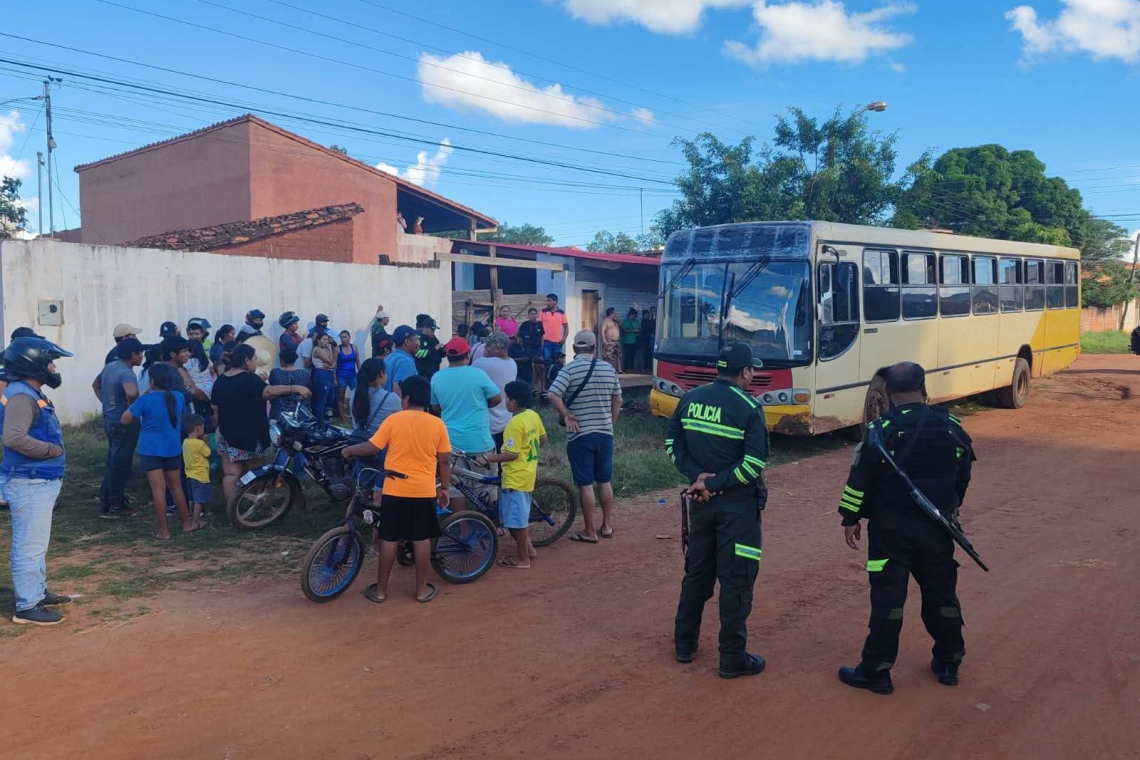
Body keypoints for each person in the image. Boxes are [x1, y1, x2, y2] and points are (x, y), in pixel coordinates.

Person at [836, 362, 976, 695]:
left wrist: (850, 517)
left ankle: (877, 672)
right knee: (942, 595)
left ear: (888, 395)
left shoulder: (880, 429)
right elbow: (963, 471)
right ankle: (949, 661)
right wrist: (950, 505)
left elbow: (860, 480)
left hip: (890, 533)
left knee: (888, 600)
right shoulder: (951, 426)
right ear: (924, 389)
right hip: (938, 528)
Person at [667, 342, 770, 679]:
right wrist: (715, 483)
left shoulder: (690, 398)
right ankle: (732, 658)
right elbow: (753, 463)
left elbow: (673, 445)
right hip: (736, 508)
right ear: (745, 372)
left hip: (701, 503)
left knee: (697, 572)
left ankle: (684, 643)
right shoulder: (749, 407)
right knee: (736, 579)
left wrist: (697, 477)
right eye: (751, 369)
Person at [342, 375, 449, 604]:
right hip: (423, 490)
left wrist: (350, 451)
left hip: (394, 488)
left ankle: (381, 591)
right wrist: (445, 488)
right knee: (421, 538)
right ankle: (421, 590)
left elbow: (372, 447)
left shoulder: (394, 420)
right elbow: (444, 462)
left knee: (389, 537)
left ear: (407, 398)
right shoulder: (437, 423)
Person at [1, 337, 73, 625]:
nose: (54, 368)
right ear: (33, 365)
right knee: (29, 545)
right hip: (30, 481)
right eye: (49, 362)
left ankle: (37, 592)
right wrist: (52, 451)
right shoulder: (22, 395)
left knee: (36, 544)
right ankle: (28, 606)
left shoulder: (27, 390)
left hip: (37, 480)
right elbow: (14, 437)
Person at [548, 331, 622, 544]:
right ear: (594, 348)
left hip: (580, 435)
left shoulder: (569, 369)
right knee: (604, 480)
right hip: (605, 434)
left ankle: (590, 531)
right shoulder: (608, 368)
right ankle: (606, 525)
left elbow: (553, 394)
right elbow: (618, 399)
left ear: (573, 349)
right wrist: (610, 421)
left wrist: (566, 414)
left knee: (585, 484)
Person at [212, 344, 311, 503]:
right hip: (248, 434)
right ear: (247, 360)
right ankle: (263, 506)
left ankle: (233, 513)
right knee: (258, 473)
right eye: (255, 358)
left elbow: (215, 409)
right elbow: (269, 392)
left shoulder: (221, 380)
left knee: (231, 474)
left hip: (224, 433)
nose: (257, 362)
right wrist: (295, 387)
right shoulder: (249, 378)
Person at [121, 363, 203, 541]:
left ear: (151, 381)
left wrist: (139, 398)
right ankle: (187, 523)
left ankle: (164, 532)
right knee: (176, 487)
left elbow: (125, 419)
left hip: (150, 449)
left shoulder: (146, 399)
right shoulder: (178, 397)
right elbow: (181, 416)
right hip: (172, 448)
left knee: (158, 490)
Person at [476, 381, 546, 569]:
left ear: (513, 402)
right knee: (518, 516)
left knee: (517, 521)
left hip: (515, 477)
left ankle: (523, 559)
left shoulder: (514, 424)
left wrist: (488, 458)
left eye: (507, 398)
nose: (505, 402)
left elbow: (512, 454)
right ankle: (529, 549)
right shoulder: (532, 415)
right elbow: (543, 439)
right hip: (528, 472)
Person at [430, 337, 502, 511]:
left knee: (456, 488)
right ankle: (487, 526)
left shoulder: (437, 377)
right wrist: (483, 405)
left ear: (447, 356)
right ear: (468, 355)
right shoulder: (478, 374)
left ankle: (463, 529)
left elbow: (435, 407)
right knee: (485, 486)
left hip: (451, 443)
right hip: (480, 441)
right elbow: (497, 398)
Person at [93, 337, 144, 518]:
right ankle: (115, 504)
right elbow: (131, 392)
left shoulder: (110, 367)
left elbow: (96, 385)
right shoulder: (127, 373)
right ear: (134, 355)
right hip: (124, 423)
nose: (143, 356)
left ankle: (107, 499)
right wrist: (132, 409)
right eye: (141, 353)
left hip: (110, 419)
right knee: (120, 463)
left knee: (113, 460)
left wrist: (107, 404)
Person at [351, 357, 403, 505]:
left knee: (364, 483)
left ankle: (354, 516)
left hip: (360, 444)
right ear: (381, 374)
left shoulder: (355, 393)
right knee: (380, 484)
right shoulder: (391, 398)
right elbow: (399, 425)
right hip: (382, 449)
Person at [472, 332, 517, 451]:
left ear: (498, 348)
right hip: (506, 420)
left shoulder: (481, 363)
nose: (485, 348)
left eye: (488, 345)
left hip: (487, 422)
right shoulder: (513, 363)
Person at [182, 414, 212, 523]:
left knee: (192, 499)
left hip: (189, 475)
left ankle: (191, 516)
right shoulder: (199, 443)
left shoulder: (185, 442)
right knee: (199, 499)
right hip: (200, 476)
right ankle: (196, 520)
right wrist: (206, 442)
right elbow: (208, 454)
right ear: (198, 428)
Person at [267, 346, 311, 420]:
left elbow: (272, 389)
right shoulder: (304, 374)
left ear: (282, 359)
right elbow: (309, 392)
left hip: (278, 413)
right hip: (299, 414)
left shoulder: (275, 373)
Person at [310, 330, 338, 422]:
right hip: (321, 374)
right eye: (324, 339)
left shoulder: (325, 349)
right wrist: (330, 348)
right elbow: (330, 361)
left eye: (327, 340)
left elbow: (333, 364)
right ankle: (319, 421)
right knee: (322, 399)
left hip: (328, 374)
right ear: (318, 340)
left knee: (330, 398)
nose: (327, 342)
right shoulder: (317, 350)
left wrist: (332, 365)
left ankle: (326, 420)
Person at [383, 325, 419, 393]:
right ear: (407, 342)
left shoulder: (388, 358)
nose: (418, 343)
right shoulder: (406, 362)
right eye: (416, 339)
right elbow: (399, 390)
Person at [336, 330, 361, 422]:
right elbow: (334, 364)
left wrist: (361, 373)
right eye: (341, 337)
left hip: (353, 375)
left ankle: (355, 414)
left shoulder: (354, 347)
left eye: (345, 337)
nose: (343, 339)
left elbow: (358, 361)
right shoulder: (338, 349)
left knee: (357, 395)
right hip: (341, 376)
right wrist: (335, 378)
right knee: (341, 397)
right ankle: (343, 417)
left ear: (349, 337)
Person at [517, 308, 544, 390]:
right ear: (528, 315)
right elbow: (518, 335)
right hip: (527, 349)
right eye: (531, 314)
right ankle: (531, 387)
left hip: (538, 349)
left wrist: (542, 348)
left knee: (540, 366)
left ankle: (542, 387)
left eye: (534, 314)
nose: (533, 315)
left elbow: (542, 336)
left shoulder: (540, 324)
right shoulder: (524, 324)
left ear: (537, 315)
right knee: (529, 367)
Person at [539, 294, 568, 366]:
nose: (547, 302)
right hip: (546, 342)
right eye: (547, 301)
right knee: (547, 364)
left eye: (549, 301)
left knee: (558, 364)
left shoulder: (561, 313)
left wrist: (564, 339)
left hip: (558, 343)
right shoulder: (542, 312)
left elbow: (566, 327)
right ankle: (547, 377)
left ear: (555, 302)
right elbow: (538, 327)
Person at [414, 315, 443, 379]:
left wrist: (443, 351)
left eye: (434, 330)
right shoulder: (419, 339)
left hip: (435, 371)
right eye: (432, 329)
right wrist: (434, 349)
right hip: (424, 373)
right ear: (425, 328)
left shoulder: (434, 338)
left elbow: (437, 353)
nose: (433, 332)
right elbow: (418, 353)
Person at [602, 307, 622, 372]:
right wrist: (604, 340)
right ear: (611, 313)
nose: (615, 314)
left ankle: (619, 369)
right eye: (614, 313)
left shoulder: (616, 321)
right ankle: (608, 369)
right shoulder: (605, 321)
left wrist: (617, 320)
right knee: (608, 355)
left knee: (618, 355)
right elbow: (602, 331)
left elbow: (622, 326)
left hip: (617, 341)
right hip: (609, 340)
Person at [621, 308, 641, 374]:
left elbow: (639, 329)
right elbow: (625, 330)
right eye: (634, 315)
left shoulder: (637, 321)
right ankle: (626, 368)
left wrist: (637, 331)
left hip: (635, 341)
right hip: (627, 341)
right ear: (630, 315)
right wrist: (634, 330)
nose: (635, 317)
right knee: (627, 355)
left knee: (633, 355)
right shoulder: (626, 321)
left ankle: (632, 368)